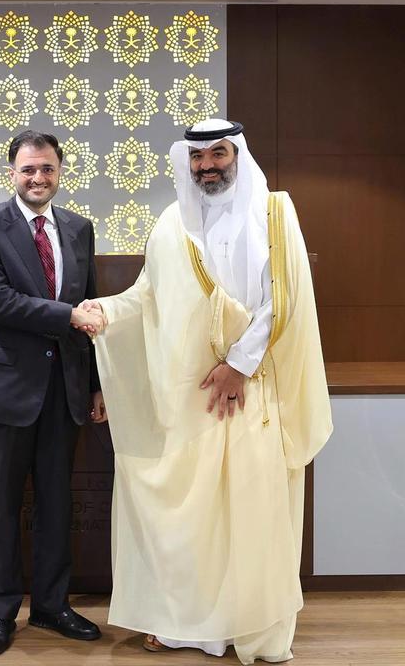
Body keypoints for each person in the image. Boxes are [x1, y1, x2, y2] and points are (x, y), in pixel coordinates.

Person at [83, 119, 332, 664]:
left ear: (237, 155)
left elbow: (282, 299)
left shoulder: (274, 213)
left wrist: (237, 366)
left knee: (248, 516)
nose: (207, 167)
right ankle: (190, 626)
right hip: (192, 394)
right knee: (194, 518)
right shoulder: (173, 221)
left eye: (218, 154)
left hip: (249, 391)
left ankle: (247, 628)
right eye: (197, 158)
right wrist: (105, 311)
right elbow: (148, 294)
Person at [0, 130, 107, 657]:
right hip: (5, 387)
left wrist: (95, 385)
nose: (38, 178)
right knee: (2, 506)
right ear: (12, 174)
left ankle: (51, 605)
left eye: (47, 168)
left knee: (55, 502)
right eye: (28, 169)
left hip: (64, 389)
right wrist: (68, 316)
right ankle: (0, 613)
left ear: (60, 171)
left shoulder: (79, 228)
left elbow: (91, 306)